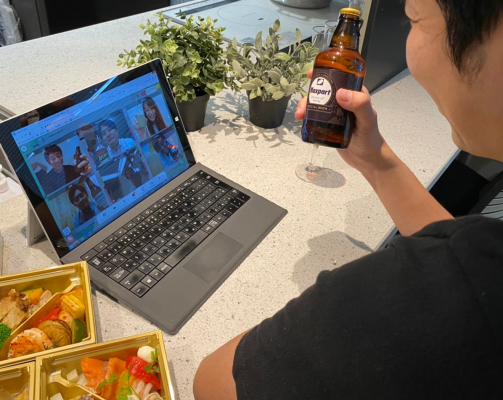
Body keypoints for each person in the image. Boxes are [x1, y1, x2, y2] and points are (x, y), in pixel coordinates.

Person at [193, 0, 503, 399]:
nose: (408, 40)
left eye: (414, 18)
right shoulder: (482, 260)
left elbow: (213, 382)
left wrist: (322, 311)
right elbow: (462, 246)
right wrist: (374, 161)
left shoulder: (455, 295)